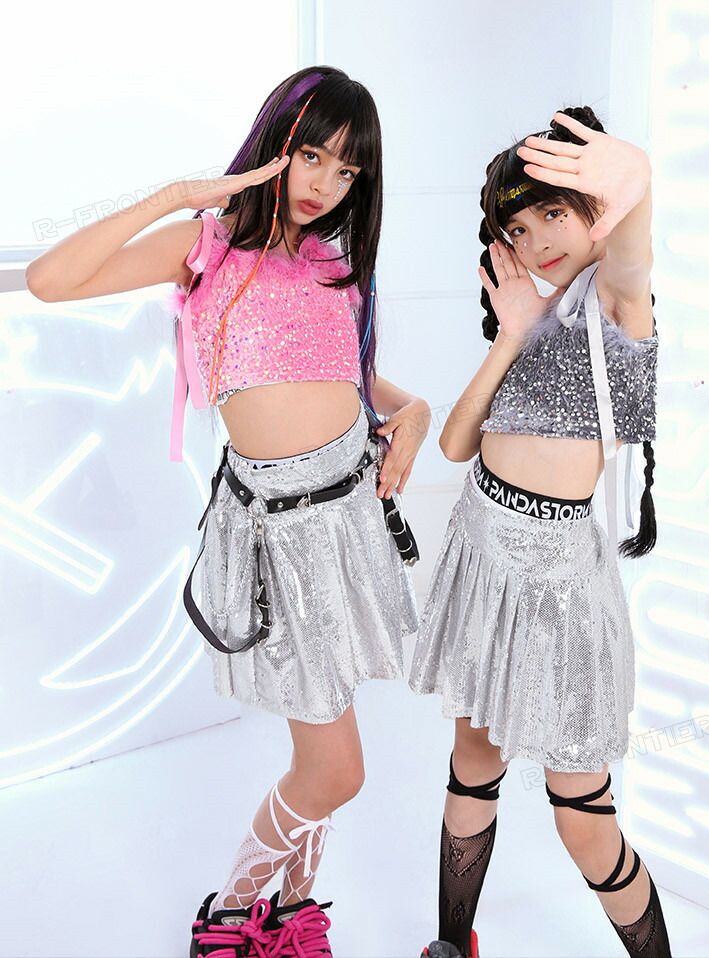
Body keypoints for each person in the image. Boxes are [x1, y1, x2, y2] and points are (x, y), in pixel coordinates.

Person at [26, 65, 427, 957]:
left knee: (323, 754)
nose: (326, 183)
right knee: (337, 770)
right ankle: (228, 913)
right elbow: (51, 280)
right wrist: (179, 196)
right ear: (275, 145)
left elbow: (354, 379)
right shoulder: (206, 247)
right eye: (312, 155)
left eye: (348, 170)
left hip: (348, 523)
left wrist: (418, 412)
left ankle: (291, 916)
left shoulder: (335, 268)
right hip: (275, 535)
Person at [409, 106, 671, 958]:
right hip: (483, 557)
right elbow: (455, 445)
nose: (537, 241)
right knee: (472, 764)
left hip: (560, 582)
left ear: (593, 209)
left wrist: (633, 180)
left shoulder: (617, 307)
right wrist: (511, 336)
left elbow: (631, 255)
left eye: (553, 212)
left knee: (582, 815)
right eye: (518, 229)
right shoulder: (534, 317)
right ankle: (452, 946)